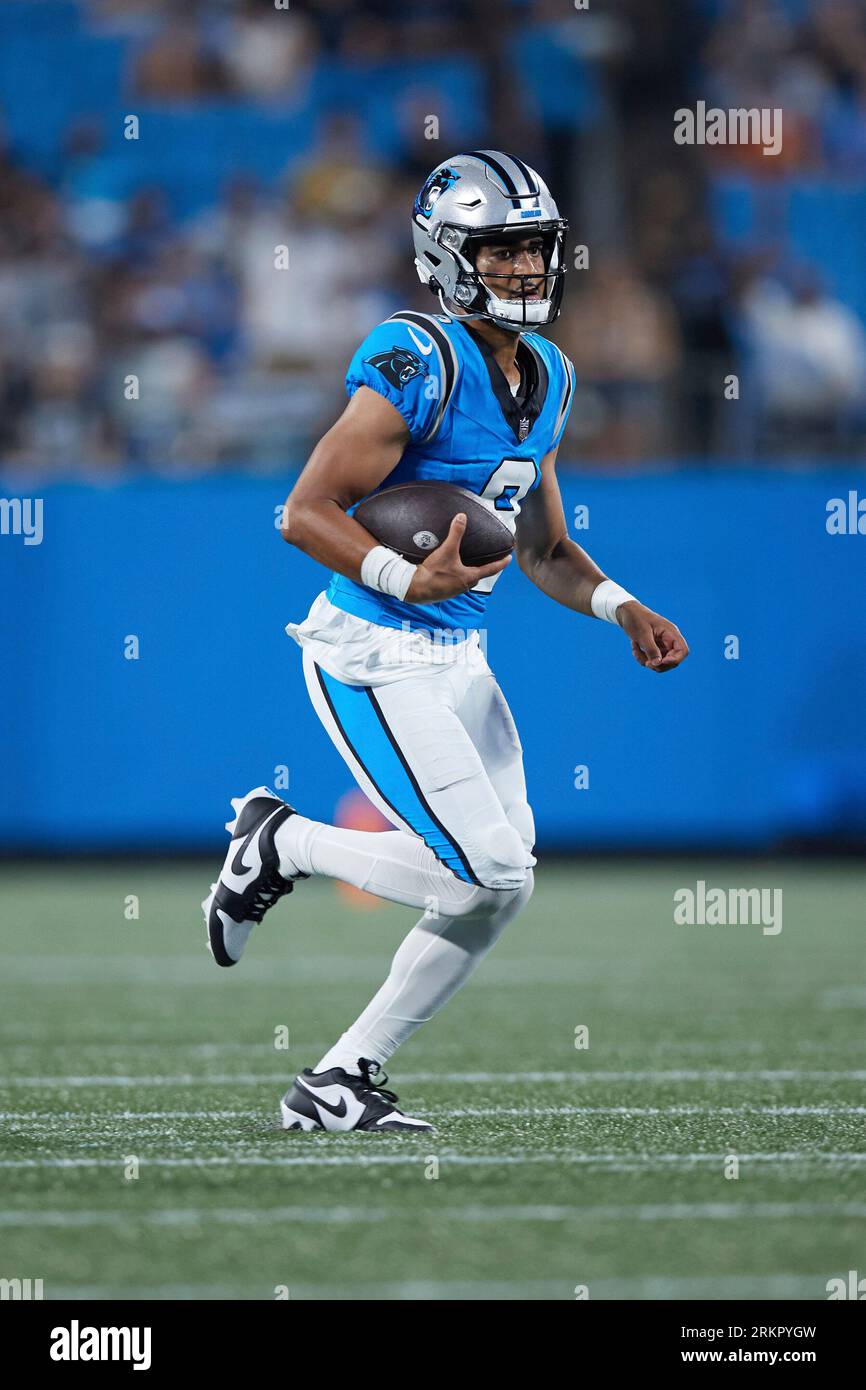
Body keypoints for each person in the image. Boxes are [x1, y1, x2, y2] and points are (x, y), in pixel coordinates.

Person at [202, 151, 689, 1133]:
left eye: (534, 251)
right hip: (370, 650)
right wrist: (400, 574)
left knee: (503, 884)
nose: (525, 271)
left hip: (456, 660)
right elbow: (302, 511)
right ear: (447, 255)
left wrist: (619, 606)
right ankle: (282, 841)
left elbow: (544, 548)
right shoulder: (412, 355)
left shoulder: (548, 371)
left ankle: (340, 1079)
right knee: (490, 871)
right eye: (502, 252)